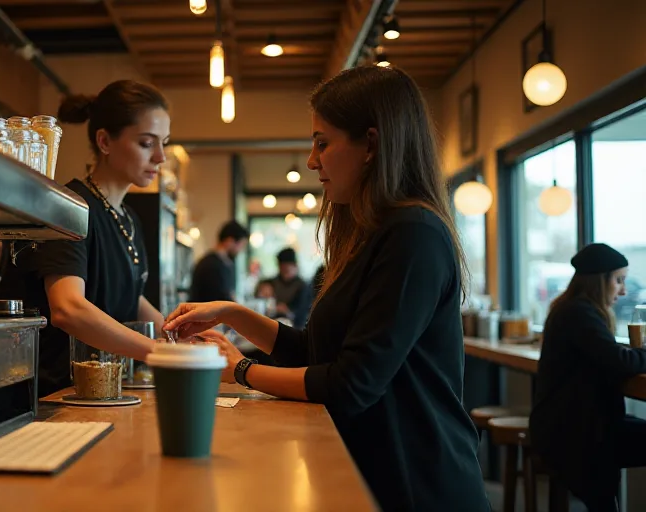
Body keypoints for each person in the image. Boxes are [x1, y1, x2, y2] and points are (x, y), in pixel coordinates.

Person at [163, 66, 489, 512]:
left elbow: (352, 384)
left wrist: (241, 370)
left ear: (371, 145)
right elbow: (317, 351)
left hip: (416, 478)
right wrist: (231, 313)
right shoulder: (370, 232)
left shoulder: (413, 233)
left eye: (322, 143)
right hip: (370, 467)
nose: (313, 160)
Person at [0, 80, 170, 397]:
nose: (161, 157)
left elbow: (131, 294)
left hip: (96, 393)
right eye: (147, 143)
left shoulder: (129, 219)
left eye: (164, 143)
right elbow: (68, 309)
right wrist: (159, 352)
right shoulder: (68, 207)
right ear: (104, 141)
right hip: (49, 396)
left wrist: (177, 333)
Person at [530, 243, 646, 512]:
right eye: (619, 280)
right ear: (598, 281)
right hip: (573, 433)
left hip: (573, 424)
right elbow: (618, 360)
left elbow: (610, 355)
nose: (624, 290)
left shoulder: (570, 309)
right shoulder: (579, 313)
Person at [189, 221, 248, 303]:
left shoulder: (225, 264)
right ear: (229, 241)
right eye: (241, 245)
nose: (241, 250)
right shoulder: (210, 265)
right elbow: (220, 301)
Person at [257, 248, 313, 328]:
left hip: (294, 328)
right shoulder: (271, 283)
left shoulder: (303, 286)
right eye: (281, 269)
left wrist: (288, 311)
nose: (284, 273)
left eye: (287, 269)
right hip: (271, 326)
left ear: (295, 266)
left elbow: (303, 314)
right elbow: (259, 298)